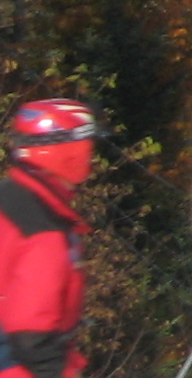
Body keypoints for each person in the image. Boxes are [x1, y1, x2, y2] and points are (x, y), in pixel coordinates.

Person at [0, 100, 96, 378]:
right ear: (70, 151)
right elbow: (31, 331)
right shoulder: (43, 226)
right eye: (87, 146)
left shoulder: (10, 196)